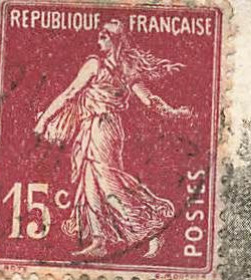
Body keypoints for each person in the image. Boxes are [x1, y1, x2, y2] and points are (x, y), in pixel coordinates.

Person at [31, 20, 193, 259]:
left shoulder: (100, 65)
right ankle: (100, 240)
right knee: (90, 184)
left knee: (108, 183)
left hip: (103, 128)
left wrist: (43, 121)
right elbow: (146, 99)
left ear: (114, 39)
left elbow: (71, 93)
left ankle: (150, 226)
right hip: (93, 127)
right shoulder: (113, 65)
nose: (99, 39)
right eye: (99, 35)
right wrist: (171, 111)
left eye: (104, 36)